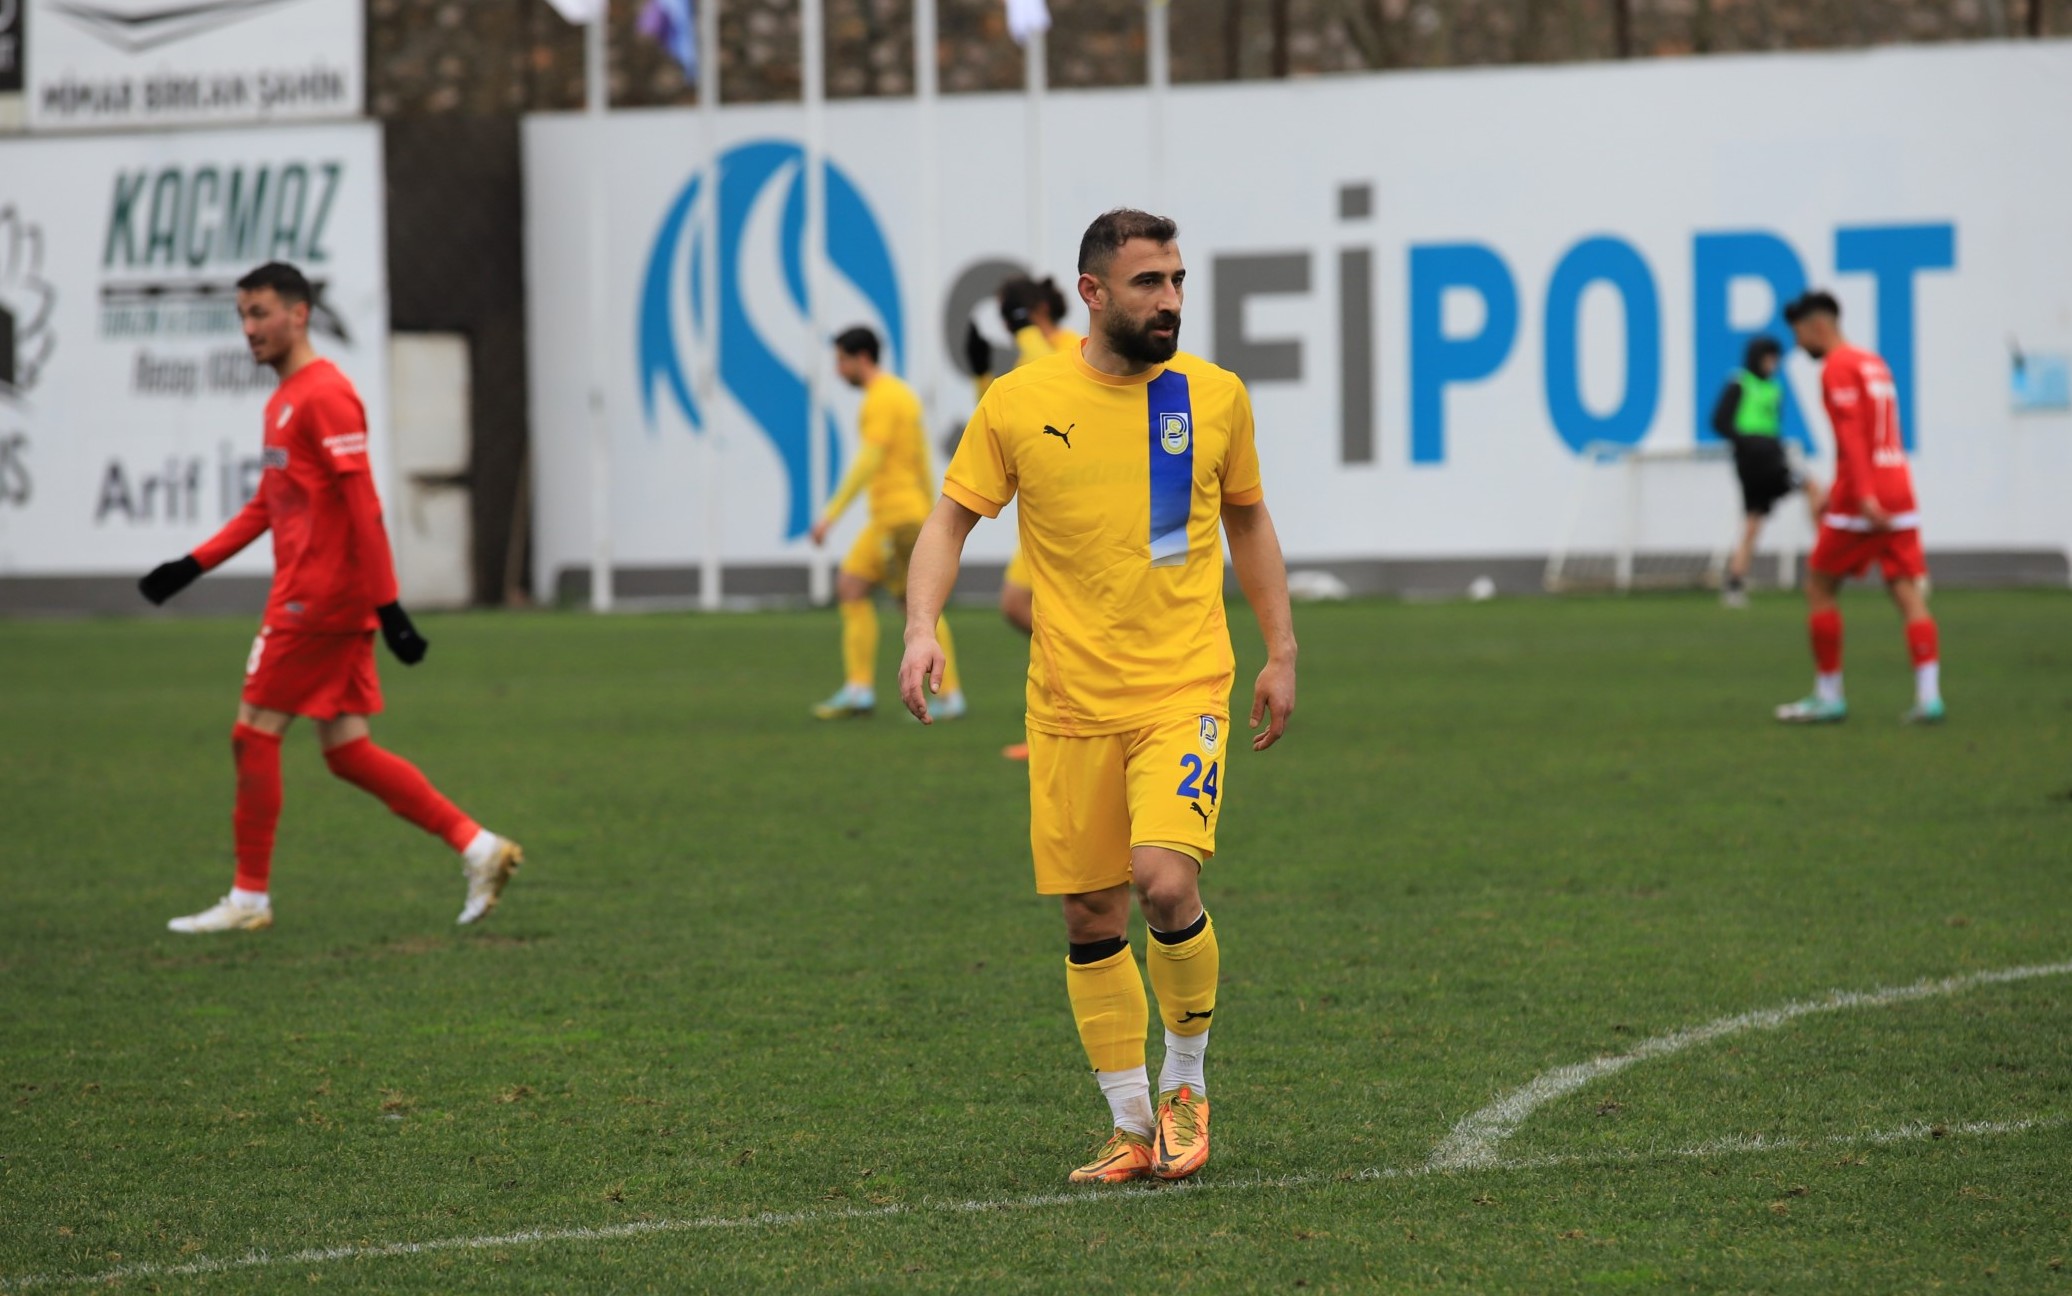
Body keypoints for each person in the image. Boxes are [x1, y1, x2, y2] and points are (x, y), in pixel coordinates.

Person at [897, 209, 1298, 1184]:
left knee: (1162, 880)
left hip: (1182, 686)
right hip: (1069, 702)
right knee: (1087, 915)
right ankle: (1127, 1124)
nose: (1168, 301)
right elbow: (948, 523)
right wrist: (918, 629)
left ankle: (1185, 1084)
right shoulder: (1018, 403)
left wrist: (1278, 648)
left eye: (1174, 280)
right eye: (1146, 283)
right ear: (1090, 293)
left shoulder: (1212, 398)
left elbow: (1247, 521)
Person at [139, 262, 523, 933]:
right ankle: (480, 847)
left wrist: (391, 607)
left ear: (299, 314)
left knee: (252, 732)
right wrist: (191, 565)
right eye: (242, 316)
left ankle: (249, 899)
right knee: (346, 750)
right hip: (319, 598)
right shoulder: (283, 400)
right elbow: (268, 504)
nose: (250, 329)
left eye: (260, 313)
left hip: (315, 602)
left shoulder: (326, 397)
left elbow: (365, 508)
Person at [1775, 289, 1944, 725]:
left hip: (1865, 495)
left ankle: (1829, 694)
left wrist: (1861, 494)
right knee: (1906, 590)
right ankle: (1930, 697)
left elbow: (1851, 435)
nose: (1798, 345)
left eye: (1799, 334)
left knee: (1819, 586)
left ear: (1819, 326)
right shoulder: (1874, 362)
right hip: (1900, 487)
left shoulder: (1836, 367)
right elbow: (1878, 431)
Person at [808, 326, 965, 720]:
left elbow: (869, 461)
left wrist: (830, 515)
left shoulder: (880, 399)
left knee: (916, 610)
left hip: (897, 521)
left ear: (861, 358)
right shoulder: (901, 395)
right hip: (893, 519)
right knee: (850, 587)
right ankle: (859, 689)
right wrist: (932, 510)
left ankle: (949, 696)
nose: (838, 370)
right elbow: (919, 458)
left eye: (841, 361)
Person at [991, 275, 1082, 760]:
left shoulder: (1067, 346)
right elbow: (998, 427)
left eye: (1010, 313)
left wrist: (1026, 330)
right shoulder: (1029, 354)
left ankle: (1065, 722)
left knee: (1047, 615)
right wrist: (980, 376)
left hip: (1073, 513)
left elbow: (1045, 372)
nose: (1007, 325)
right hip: (1040, 512)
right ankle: (1060, 719)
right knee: (1016, 605)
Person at [1709, 335, 1823, 608]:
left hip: (1771, 458)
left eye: (1775, 358)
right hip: (1756, 463)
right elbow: (1719, 422)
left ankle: (1734, 582)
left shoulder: (1774, 389)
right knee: (1812, 487)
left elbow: (1773, 425)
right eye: (1767, 357)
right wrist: (1748, 442)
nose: (1772, 364)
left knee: (1753, 522)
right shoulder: (1740, 383)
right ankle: (1826, 559)